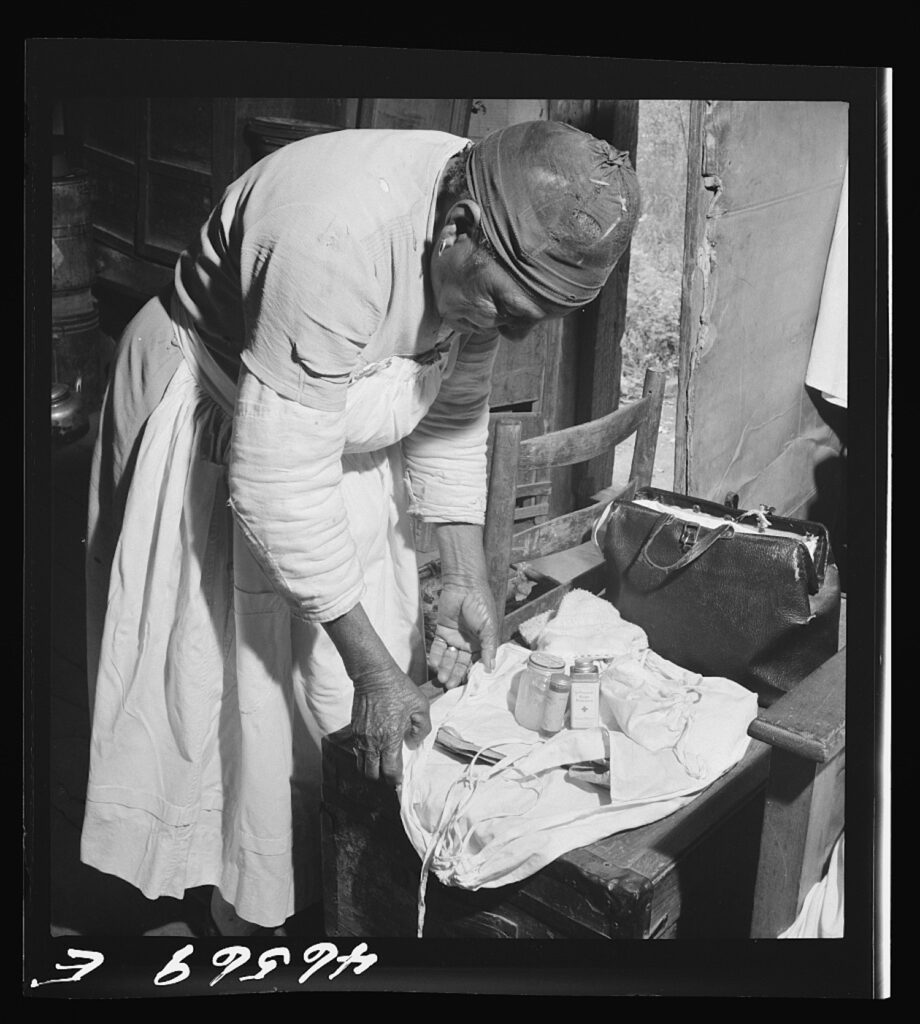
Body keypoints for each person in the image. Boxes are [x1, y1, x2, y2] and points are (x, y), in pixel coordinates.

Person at [80, 119, 640, 934]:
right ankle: (213, 905)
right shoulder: (334, 235)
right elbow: (276, 484)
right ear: (458, 228)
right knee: (215, 686)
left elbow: (451, 410)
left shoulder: (492, 216)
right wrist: (382, 675)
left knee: (325, 693)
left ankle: (299, 881)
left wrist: (464, 576)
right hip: (215, 410)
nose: (510, 332)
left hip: (328, 433)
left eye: (530, 321)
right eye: (506, 308)